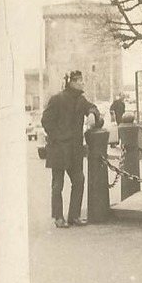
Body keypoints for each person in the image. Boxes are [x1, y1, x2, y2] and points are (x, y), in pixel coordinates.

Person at [41, 70, 104, 228]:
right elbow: (46, 121)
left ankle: (74, 216)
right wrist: (57, 137)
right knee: (58, 184)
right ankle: (58, 217)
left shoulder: (81, 100)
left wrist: (91, 114)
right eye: (80, 80)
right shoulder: (57, 99)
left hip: (75, 149)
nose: (83, 83)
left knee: (79, 180)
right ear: (72, 82)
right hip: (59, 149)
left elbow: (93, 107)